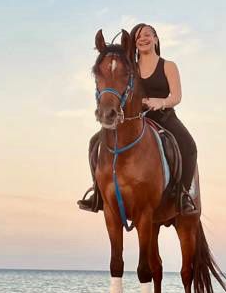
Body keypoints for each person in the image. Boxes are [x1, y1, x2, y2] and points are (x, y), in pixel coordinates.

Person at [78, 23, 199, 216]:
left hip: (162, 115)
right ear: (134, 43)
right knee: (95, 142)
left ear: (156, 39)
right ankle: (98, 193)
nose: (143, 38)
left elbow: (176, 97)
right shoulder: (129, 67)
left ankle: (182, 194)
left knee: (189, 146)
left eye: (147, 35)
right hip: (132, 118)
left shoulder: (168, 65)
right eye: (139, 37)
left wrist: (160, 102)